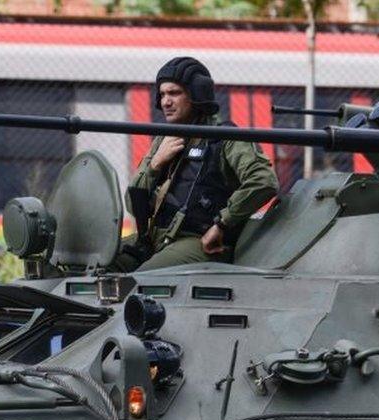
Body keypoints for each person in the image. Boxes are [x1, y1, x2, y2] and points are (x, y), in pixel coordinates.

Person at [112, 57, 279, 272]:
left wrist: (222, 224)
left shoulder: (225, 138)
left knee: (144, 280)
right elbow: (133, 204)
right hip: (155, 238)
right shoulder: (163, 142)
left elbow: (264, 181)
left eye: (174, 93)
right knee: (101, 267)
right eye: (162, 95)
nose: (166, 102)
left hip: (199, 240)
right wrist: (154, 165)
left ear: (196, 95)